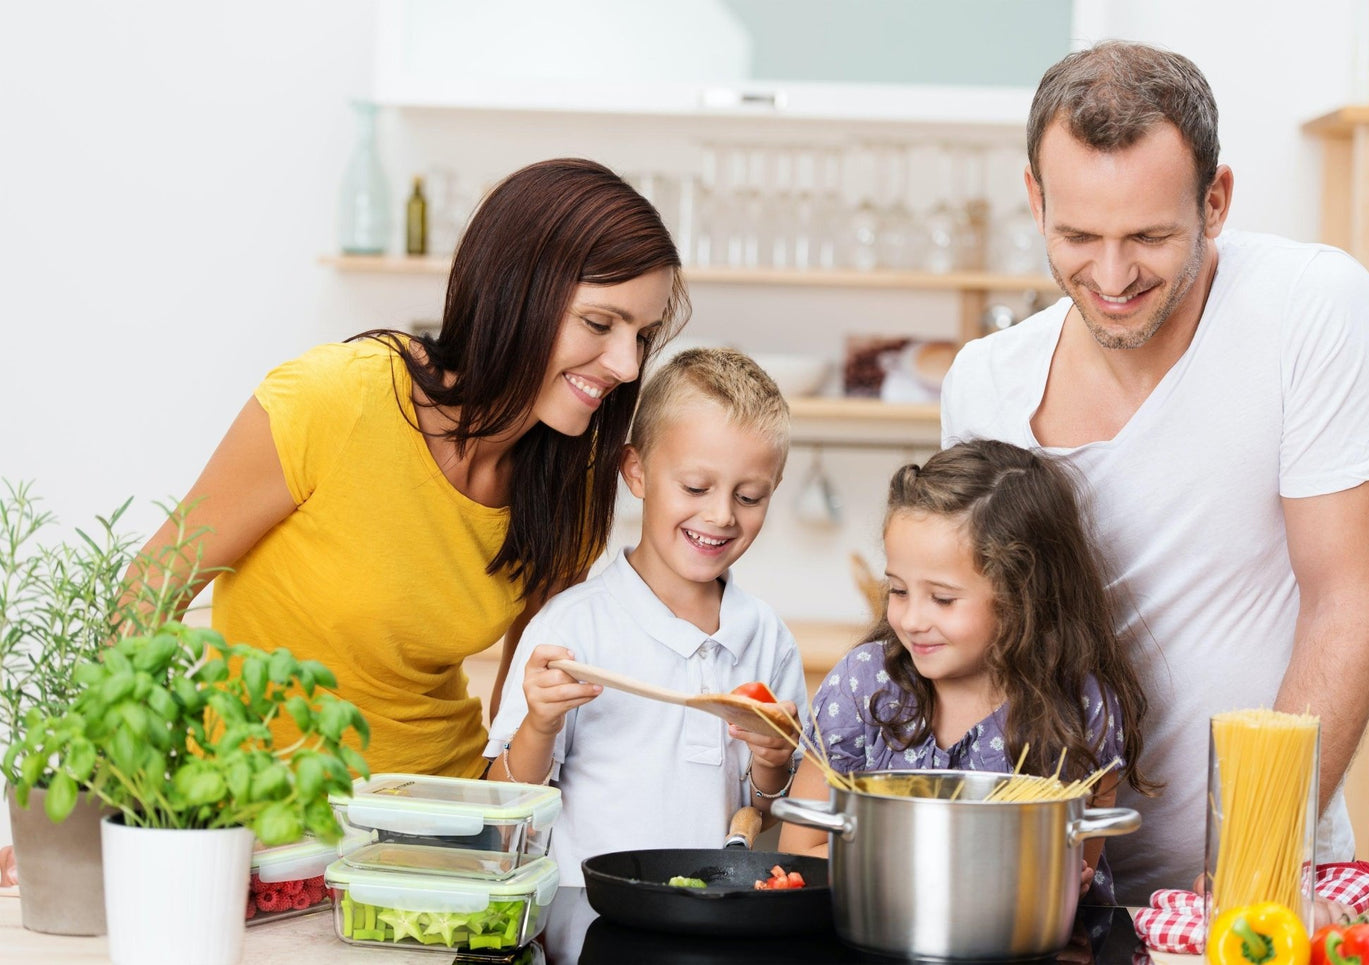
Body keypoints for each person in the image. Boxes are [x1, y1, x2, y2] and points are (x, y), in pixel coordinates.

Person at [940, 41, 1369, 902]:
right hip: (1042, 891)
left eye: (1149, 236)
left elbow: (1348, 601)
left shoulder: (1312, 310)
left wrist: (1244, 877)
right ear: (1035, 198)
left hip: (1261, 877)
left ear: (1215, 199)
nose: (1111, 277)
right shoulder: (984, 382)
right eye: (1078, 235)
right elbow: (982, 650)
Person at [129, 158, 689, 779]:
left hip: (438, 824)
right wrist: (105, 784)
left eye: (643, 334)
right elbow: (148, 591)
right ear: (515, 292)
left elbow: (517, 718)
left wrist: (494, 831)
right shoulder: (336, 397)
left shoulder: (568, 478)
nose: (628, 365)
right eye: (599, 323)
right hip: (264, 818)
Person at [486, 347, 808, 887]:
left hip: (711, 924)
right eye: (696, 488)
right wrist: (541, 722)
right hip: (590, 926)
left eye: (750, 496)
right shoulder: (572, 629)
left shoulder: (766, 637)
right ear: (636, 471)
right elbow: (506, 810)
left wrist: (773, 761)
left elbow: (763, 812)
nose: (722, 514)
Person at [778, 441, 1154, 903]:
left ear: (1022, 595)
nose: (911, 619)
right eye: (898, 590)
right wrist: (939, 870)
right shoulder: (865, 684)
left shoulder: (1081, 708)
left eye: (942, 598)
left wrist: (1058, 881)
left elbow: (1075, 873)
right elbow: (798, 855)